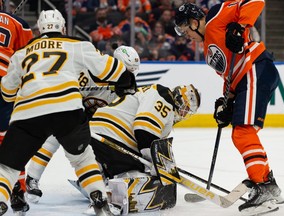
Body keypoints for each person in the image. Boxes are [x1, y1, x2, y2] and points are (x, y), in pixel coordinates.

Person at [0, 9, 136, 216]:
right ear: (63, 28)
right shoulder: (77, 45)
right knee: (82, 158)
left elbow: (7, 93)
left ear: (39, 30)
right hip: (67, 109)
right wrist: (126, 81)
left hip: (28, 112)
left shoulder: (22, 53)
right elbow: (112, 70)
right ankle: (98, 196)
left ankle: (1, 201)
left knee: (7, 167)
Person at [174, 1, 284, 215]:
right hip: (245, 78)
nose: (185, 35)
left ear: (195, 22)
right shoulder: (207, 52)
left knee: (243, 133)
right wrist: (226, 101)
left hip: (255, 69)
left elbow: (254, 2)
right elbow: (230, 74)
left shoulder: (216, 16)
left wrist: (240, 26)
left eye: (186, 29)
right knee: (243, 134)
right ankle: (268, 184)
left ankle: (263, 188)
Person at [25, 45, 141, 203]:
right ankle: (32, 178)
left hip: (95, 121)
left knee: (103, 143)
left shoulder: (126, 86)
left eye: (132, 72)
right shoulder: (89, 73)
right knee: (54, 137)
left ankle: (101, 176)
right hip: (69, 110)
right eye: (126, 71)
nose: (129, 76)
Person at [72, 82, 200, 214]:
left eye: (187, 112)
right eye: (185, 108)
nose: (184, 114)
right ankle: (109, 198)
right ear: (179, 98)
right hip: (111, 138)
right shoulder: (164, 96)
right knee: (141, 176)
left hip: (95, 135)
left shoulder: (154, 95)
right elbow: (144, 130)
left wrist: (156, 163)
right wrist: (156, 164)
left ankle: (96, 177)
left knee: (141, 165)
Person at [0, 1, 34, 214]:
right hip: (5, 84)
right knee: (9, 138)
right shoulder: (18, 23)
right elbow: (29, 56)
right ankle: (17, 191)